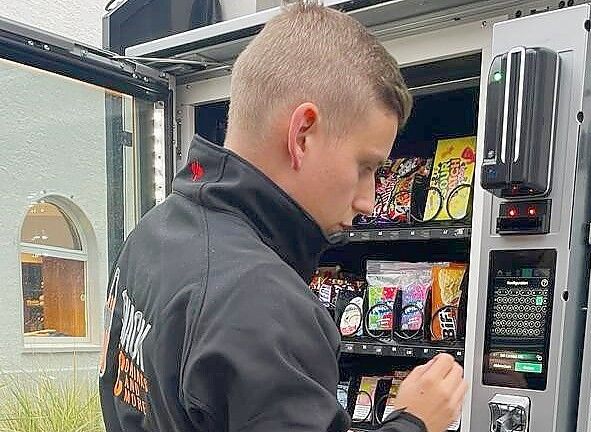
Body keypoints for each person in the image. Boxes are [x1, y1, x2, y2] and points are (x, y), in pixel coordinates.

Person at [98, 1, 467, 431]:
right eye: (366, 166)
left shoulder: (149, 235)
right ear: (302, 134)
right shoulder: (264, 305)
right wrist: (415, 422)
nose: (368, 200)